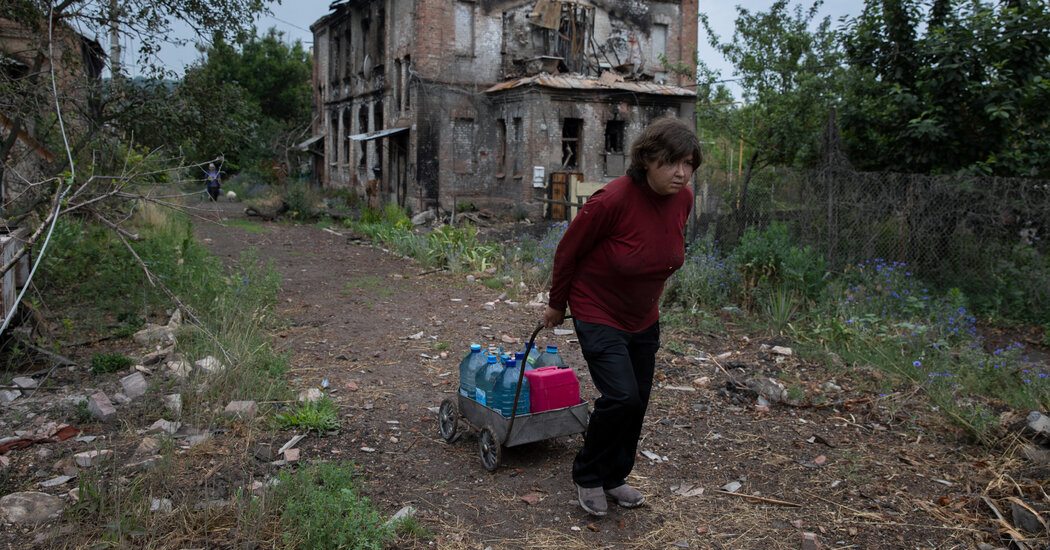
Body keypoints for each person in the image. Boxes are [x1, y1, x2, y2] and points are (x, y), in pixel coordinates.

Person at [543, 116, 701, 517]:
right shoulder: (611, 200)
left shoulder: (683, 199)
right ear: (646, 158)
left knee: (638, 401)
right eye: (672, 163)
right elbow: (568, 252)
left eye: (688, 163)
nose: (682, 173)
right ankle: (588, 475)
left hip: (643, 316)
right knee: (621, 396)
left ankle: (615, 476)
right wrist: (557, 304)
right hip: (597, 309)